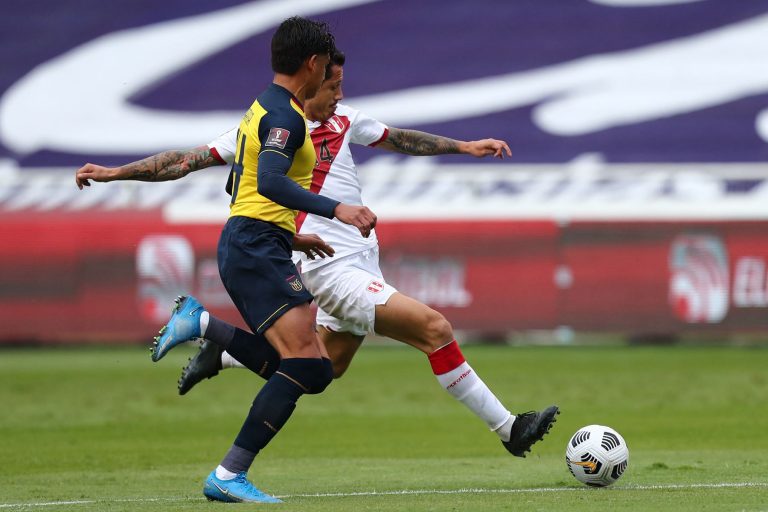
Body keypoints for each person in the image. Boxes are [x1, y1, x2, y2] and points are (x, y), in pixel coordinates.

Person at [77, 50, 558, 470]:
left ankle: (220, 350)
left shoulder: (346, 119)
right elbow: (185, 160)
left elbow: (399, 138)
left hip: (360, 263)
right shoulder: (270, 126)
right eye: (333, 84)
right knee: (434, 328)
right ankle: (509, 428)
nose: (339, 93)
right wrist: (117, 172)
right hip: (330, 269)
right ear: (310, 80)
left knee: (324, 367)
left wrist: (464, 146)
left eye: (342, 84)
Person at [78, 17, 377, 504]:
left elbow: (230, 184)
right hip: (255, 246)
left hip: (260, 242)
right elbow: (270, 184)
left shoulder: (261, 108)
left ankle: (209, 332)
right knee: (309, 367)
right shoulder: (286, 119)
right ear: (314, 63)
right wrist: (337, 209)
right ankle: (228, 472)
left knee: (314, 368)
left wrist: (115, 174)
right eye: (328, 67)